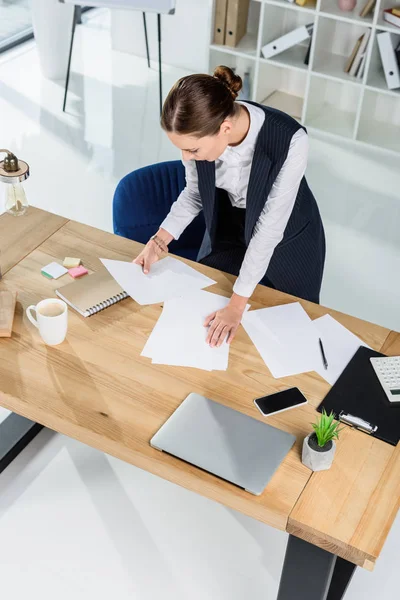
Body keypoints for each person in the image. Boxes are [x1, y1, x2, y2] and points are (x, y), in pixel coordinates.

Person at [133, 66, 325, 348]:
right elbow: (195, 193)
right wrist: (158, 241)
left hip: (288, 239)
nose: (185, 157)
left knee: (287, 333)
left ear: (225, 128)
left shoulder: (292, 140)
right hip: (227, 229)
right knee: (206, 314)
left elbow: (269, 229)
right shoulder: (205, 132)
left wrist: (236, 305)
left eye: (193, 150)